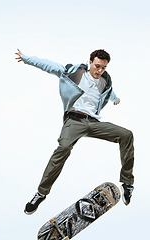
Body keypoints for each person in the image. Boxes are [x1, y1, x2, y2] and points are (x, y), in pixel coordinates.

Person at [15, 49, 135, 215]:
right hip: (74, 121)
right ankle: (41, 193)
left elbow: (109, 93)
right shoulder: (74, 73)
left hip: (93, 123)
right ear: (90, 62)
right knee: (63, 148)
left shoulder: (105, 82)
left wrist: (116, 99)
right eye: (97, 66)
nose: (100, 71)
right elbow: (50, 66)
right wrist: (27, 59)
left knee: (126, 134)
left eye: (103, 68)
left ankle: (127, 183)